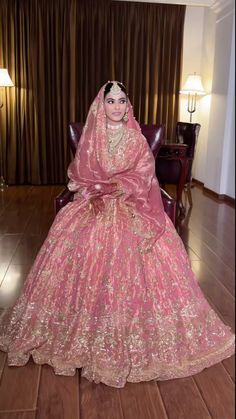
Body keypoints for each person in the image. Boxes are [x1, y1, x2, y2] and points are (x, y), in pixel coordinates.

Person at [0, 81, 234, 388]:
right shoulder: (91, 137)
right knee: (79, 238)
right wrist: (92, 190)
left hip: (129, 204)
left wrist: (117, 187)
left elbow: (144, 175)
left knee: (140, 247)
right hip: (93, 204)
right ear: (101, 105)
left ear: (128, 106)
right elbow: (78, 174)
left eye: (122, 101)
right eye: (111, 101)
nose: (117, 107)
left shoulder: (136, 140)